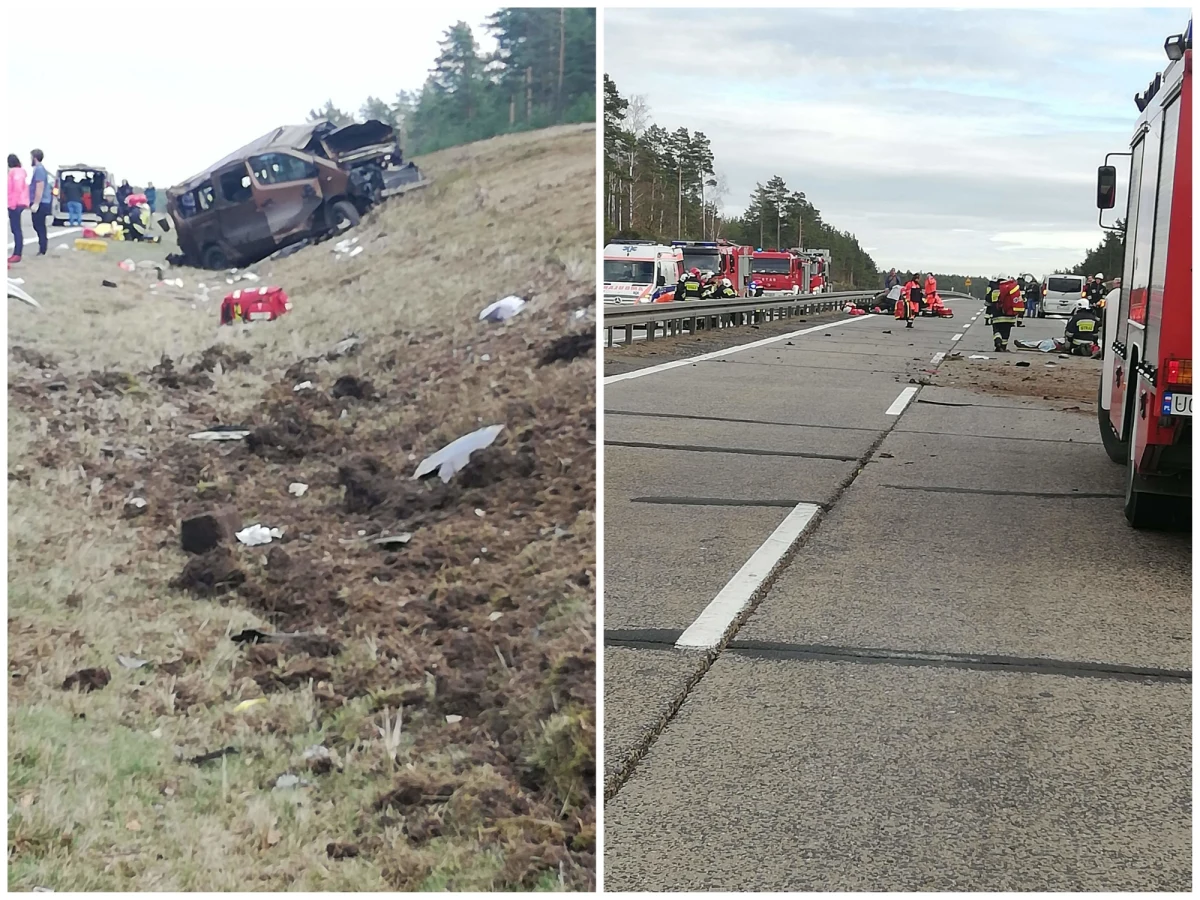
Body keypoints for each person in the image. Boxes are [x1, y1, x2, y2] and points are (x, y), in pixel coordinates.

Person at [27, 149, 53, 256]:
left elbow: (40, 186)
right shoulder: (39, 169)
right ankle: (42, 247)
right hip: (42, 201)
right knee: (38, 225)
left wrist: (36, 203)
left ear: (34, 158)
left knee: (39, 225)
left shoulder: (39, 170)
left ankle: (43, 249)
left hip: (41, 202)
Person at [986, 275, 1021, 352]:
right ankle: (1003, 347)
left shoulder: (994, 289)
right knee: (1006, 331)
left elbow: (988, 300)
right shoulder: (1011, 288)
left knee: (996, 329)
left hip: (996, 314)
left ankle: (998, 341)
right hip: (1009, 315)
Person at [7, 154, 28, 263]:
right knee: (16, 229)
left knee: (16, 229)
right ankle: (17, 253)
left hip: (15, 203)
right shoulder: (21, 171)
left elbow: (17, 188)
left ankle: (17, 253)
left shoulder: (14, 172)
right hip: (19, 203)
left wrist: (12, 204)